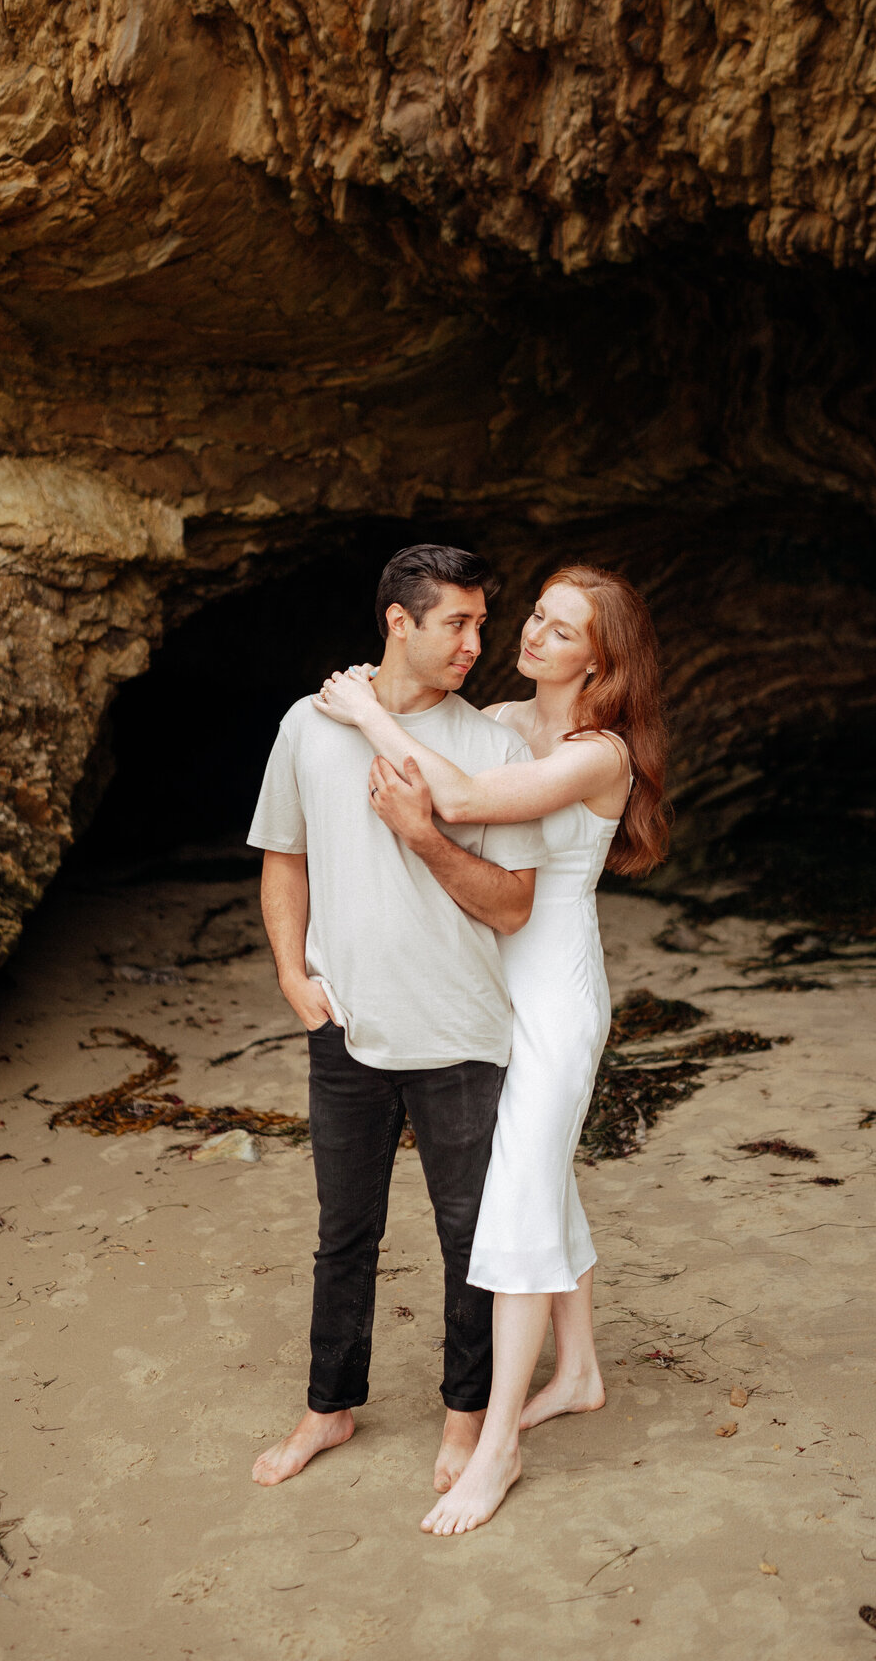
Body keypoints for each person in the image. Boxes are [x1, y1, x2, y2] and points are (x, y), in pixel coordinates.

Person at [316, 563, 669, 1533]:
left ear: (602, 661)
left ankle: (499, 1442)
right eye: (539, 620)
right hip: (492, 985)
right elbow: (445, 741)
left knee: (513, 1201)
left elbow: (462, 801)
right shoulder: (512, 721)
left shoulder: (599, 754)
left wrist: (365, 714)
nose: (535, 637)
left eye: (564, 631)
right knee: (546, 1176)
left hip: (555, 995)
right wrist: (359, 702)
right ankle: (583, 1371)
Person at [246, 544, 548, 1491]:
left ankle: (464, 1423)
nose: (476, 642)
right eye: (456, 622)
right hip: (346, 1025)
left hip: (460, 1029)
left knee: (470, 1237)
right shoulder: (309, 726)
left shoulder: (496, 749)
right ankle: (327, 1410)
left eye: (481, 623)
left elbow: (510, 905)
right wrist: (293, 974)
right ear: (398, 621)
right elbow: (283, 856)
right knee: (345, 1233)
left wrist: (424, 836)